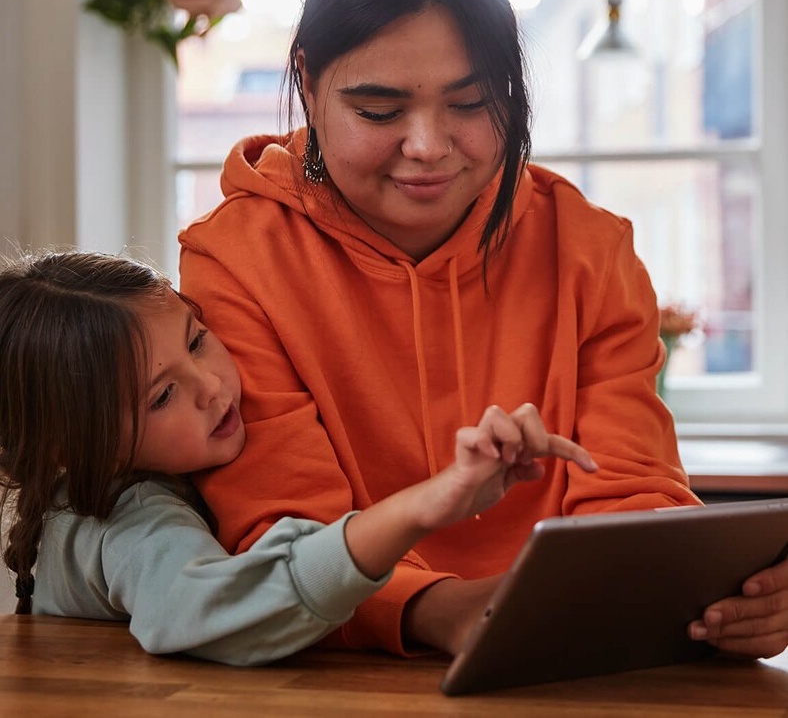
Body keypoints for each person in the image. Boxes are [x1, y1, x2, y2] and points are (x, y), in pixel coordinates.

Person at [178, 0, 788, 661]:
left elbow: (630, 493)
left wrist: (716, 599)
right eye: (379, 111)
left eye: (470, 103)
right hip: (329, 673)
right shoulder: (234, 259)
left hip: (563, 656)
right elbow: (279, 538)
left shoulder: (590, 248)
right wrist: (439, 609)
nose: (428, 146)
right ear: (306, 81)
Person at [0, 249, 596, 665]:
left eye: (197, 341)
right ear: (69, 446)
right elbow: (206, 609)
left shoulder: (158, 473)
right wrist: (418, 509)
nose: (212, 386)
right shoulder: (125, 519)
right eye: (162, 396)